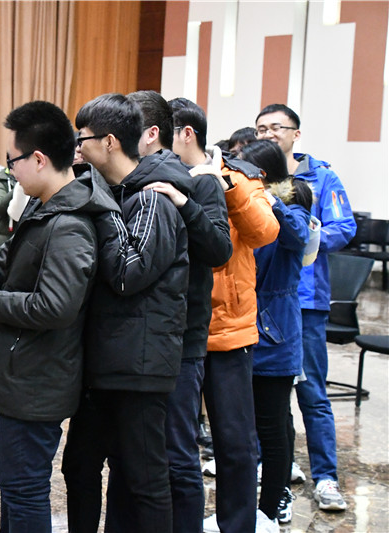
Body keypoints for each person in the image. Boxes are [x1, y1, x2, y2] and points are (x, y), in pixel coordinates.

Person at [0, 99, 117, 532]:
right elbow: (3, 260)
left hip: (40, 378)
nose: (9, 171)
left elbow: (56, 306)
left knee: (24, 485)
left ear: (39, 159)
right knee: (11, 476)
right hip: (25, 371)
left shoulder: (70, 224)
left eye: (13, 161)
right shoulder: (44, 207)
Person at [61, 93, 189, 533]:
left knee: (144, 479)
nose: (77, 149)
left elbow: (127, 273)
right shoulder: (110, 193)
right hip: (102, 362)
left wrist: (102, 203)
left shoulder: (154, 200)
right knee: (78, 467)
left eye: (83, 139)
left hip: (140, 367)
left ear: (110, 142)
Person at [167, 97, 279, 533]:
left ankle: (237, 525)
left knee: (234, 442)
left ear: (186, 133)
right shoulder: (159, 175)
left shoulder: (239, 174)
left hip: (226, 329)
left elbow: (265, 231)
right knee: (175, 443)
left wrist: (224, 186)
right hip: (176, 329)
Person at [126, 90, 232, 533]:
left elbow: (220, 250)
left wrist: (183, 202)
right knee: (139, 457)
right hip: (140, 339)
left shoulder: (201, 183)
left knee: (179, 455)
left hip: (183, 340)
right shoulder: (130, 179)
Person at [255, 103, 356, 512]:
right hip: (262, 300)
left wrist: (304, 240)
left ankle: (326, 476)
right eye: (261, 129)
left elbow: (344, 227)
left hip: (305, 300)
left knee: (312, 391)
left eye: (276, 127)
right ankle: (278, 468)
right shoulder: (256, 177)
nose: (268, 134)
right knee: (270, 397)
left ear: (296, 134)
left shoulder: (321, 177)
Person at [238, 139, 312, 531]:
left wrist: (270, 198)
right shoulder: (248, 206)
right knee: (259, 423)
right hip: (246, 327)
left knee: (273, 425)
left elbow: (299, 236)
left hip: (275, 332)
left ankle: (271, 506)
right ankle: (256, 503)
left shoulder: (290, 206)